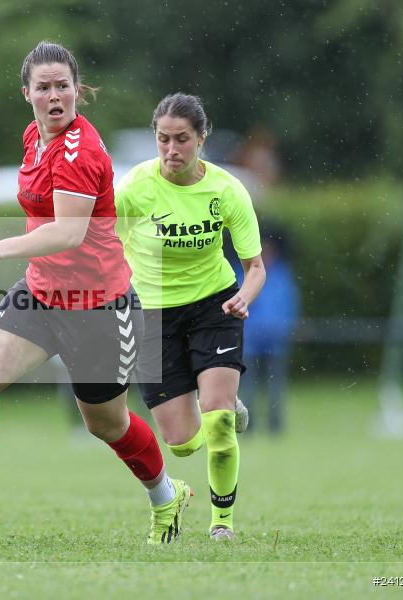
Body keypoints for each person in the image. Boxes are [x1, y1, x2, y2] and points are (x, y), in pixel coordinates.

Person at [0, 42, 190, 545]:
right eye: (44, 87)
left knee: (107, 424)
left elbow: (67, 233)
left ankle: (164, 496)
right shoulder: (33, 138)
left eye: (63, 86)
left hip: (100, 308)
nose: (55, 96)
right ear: (27, 93)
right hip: (41, 294)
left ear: (78, 90)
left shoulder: (80, 150)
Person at [115, 93, 266, 540]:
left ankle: (223, 522)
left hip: (215, 307)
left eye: (182, 139)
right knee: (180, 444)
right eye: (163, 139)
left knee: (218, 420)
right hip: (153, 316)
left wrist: (245, 298)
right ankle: (214, 414)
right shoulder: (134, 190)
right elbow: (102, 246)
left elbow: (255, 267)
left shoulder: (226, 190)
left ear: (202, 138)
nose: (171, 150)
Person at [236, 226, 299, 433]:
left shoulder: (282, 275)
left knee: (275, 386)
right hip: (250, 338)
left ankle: (275, 423)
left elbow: (289, 304)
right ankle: (248, 424)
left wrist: (288, 326)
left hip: (276, 338)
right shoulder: (243, 273)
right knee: (248, 385)